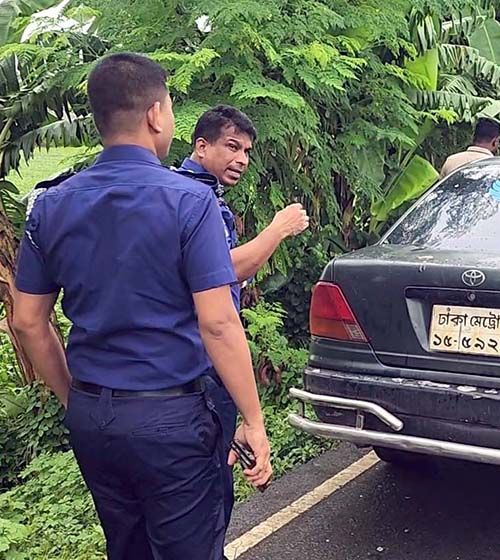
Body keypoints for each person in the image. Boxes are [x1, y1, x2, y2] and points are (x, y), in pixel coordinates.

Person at [11, 53, 272, 559]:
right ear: (156, 113)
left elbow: (26, 321)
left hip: (94, 418)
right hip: (171, 420)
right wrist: (254, 421)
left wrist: (75, 398)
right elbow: (217, 322)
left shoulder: (50, 204)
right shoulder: (190, 202)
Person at [176, 104, 308, 530]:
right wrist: (278, 228)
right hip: (203, 362)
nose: (242, 159)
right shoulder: (195, 200)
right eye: (232, 146)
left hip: (185, 368)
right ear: (201, 145)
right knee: (208, 497)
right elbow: (227, 269)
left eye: (247, 151)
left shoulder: (186, 192)